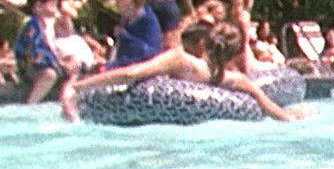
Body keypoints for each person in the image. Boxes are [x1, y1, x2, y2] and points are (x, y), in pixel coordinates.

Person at [60, 20, 308, 123]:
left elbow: (131, 74)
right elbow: (270, 108)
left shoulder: (180, 61)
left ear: (204, 41)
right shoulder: (234, 81)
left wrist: (78, 85)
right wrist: (295, 116)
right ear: (234, 55)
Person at [11, 0, 69, 104]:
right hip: (29, 66)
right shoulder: (32, 26)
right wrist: (57, 64)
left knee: (74, 66)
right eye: (52, 5)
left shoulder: (44, 24)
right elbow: (35, 52)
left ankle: (66, 98)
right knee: (50, 75)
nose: (55, 9)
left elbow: (50, 48)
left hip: (41, 63)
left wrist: (62, 61)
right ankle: (31, 103)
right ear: (38, 6)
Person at [104, 0, 165, 69]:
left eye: (119, 2)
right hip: (122, 66)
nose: (117, 7)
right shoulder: (127, 19)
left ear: (130, 3)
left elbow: (151, 53)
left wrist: (125, 36)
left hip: (142, 69)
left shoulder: (148, 20)